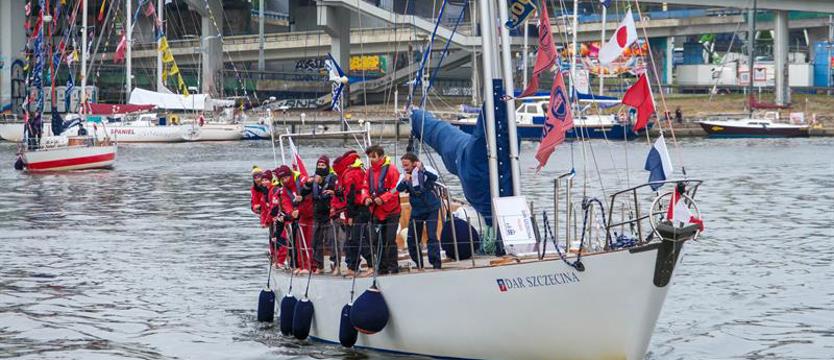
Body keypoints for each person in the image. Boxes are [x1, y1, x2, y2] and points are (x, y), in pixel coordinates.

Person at [396, 153, 442, 269]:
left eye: (407, 165)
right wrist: (404, 181)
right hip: (417, 209)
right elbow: (398, 189)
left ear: (414, 162)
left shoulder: (426, 169)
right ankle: (419, 263)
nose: (405, 168)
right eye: (403, 166)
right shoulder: (404, 176)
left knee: (432, 235)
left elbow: (434, 177)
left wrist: (423, 169)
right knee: (412, 238)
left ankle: (436, 264)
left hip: (431, 207)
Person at [333, 150, 372, 276]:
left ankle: (371, 264)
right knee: (353, 240)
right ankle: (353, 267)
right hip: (363, 209)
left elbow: (350, 196)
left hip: (356, 211)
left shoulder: (350, 174)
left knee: (356, 239)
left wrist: (349, 216)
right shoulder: (362, 170)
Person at [365, 145, 401, 275]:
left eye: (373, 156)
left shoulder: (392, 170)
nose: (371, 159)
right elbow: (365, 187)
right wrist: (366, 198)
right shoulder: (368, 172)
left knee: (389, 239)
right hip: (375, 211)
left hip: (391, 211)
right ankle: (381, 267)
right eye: (369, 157)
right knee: (375, 239)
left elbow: (396, 188)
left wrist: (383, 198)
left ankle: (393, 266)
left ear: (380, 156)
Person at [303, 156, 339, 274]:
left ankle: (335, 264)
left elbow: (340, 191)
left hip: (329, 214)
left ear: (327, 166)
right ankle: (319, 265)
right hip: (317, 214)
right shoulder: (313, 178)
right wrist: (308, 184)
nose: (320, 167)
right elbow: (303, 193)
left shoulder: (333, 178)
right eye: (318, 165)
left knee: (331, 240)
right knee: (315, 241)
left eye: (323, 165)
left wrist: (333, 191)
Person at [275, 165, 313, 273]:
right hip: (298, 218)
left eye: (286, 177)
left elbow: (309, 196)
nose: (285, 180)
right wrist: (291, 213)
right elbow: (286, 204)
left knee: (309, 242)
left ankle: (310, 266)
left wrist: (299, 210)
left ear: (290, 175)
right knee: (298, 243)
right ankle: (300, 266)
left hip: (309, 215)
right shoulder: (284, 191)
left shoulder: (301, 180)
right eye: (282, 179)